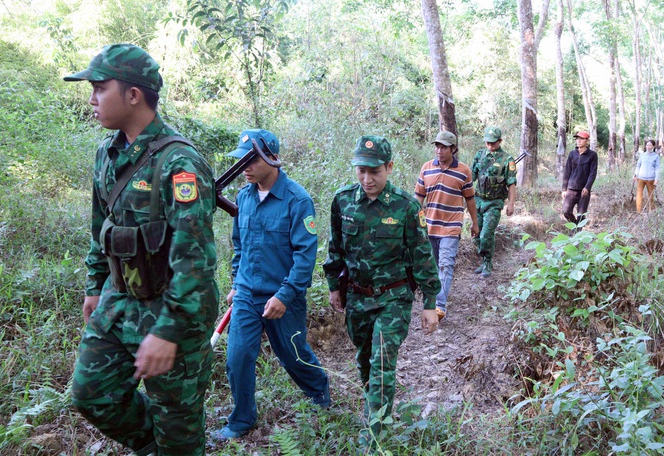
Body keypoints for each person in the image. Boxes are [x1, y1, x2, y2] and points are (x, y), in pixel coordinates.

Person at [65, 44, 219, 455]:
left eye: (100, 88)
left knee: (179, 426)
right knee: (90, 393)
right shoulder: (107, 153)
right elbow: (103, 228)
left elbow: (196, 261)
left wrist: (167, 331)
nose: (92, 99)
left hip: (175, 314)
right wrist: (95, 285)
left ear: (133, 95)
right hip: (120, 302)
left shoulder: (179, 164)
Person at [323, 135, 440, 447]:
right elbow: (335, 247)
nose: (367, 178)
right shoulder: (344, 200)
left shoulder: (405, 207)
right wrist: (335, 286)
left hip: (394, 297)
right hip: (358, 297)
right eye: (361, 170)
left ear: (389, 167)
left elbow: (422, 256)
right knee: (365, 362)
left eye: (374, 171)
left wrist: (430, 302)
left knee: (383, 364)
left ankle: (375, 437)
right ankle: (374, 406)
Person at [213, 129, 330, 441]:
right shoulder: (243, 197)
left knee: (294, 355)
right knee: (238, 358)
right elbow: (240, 246)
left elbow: (306, 256)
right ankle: (241, 421)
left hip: (282, 298)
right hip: (247, 295)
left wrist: (286, 294)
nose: (245, 167)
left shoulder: (297, 200)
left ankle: (320, 397)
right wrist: (238, 283)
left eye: (251, 160)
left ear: (272, 158)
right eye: (241, 161)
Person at [414, 130, 478, 320]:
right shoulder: (426, 168)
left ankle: (439, 306)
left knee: (445, 265)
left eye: (443, 147)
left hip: (451, 227)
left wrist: (475, 223)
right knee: (431, 266)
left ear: (453, 149)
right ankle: (430, 300)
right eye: (437, 146)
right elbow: (418, 197)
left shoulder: (464, 171)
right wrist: (412, 222)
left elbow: (470, 199)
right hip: (429, 227)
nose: (439, 150)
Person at [470, 126, 517, 279]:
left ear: (500, 141)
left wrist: (511, 204)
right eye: (487, 143)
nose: (490, 146)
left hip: (494, 203)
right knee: (477, 234)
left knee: (486, 234)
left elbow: (511, 183)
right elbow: (471, 178)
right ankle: (483, 261)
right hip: (478, 201)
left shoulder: (507, 159)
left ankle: (488, 262)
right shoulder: (479, 156)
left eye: (493, 143)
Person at [561, 130, 598, 229]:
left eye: (581, 139)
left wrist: (587, 187)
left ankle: (578, 234)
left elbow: (592, 173)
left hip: (583, 190)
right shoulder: (572, 154)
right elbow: (567, 171)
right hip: (571, 189)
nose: (578, 141)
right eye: (577, 138)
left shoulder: (592, 155)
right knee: (566, 211)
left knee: (581, 214)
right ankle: (575, 227)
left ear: (587, 140)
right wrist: (564, 189)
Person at [633, 139, 661, 213]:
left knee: (651, 195)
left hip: (651, 179)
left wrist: (656, 178)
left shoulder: (656, 156)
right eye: (647, 145)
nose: (648, 146)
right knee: (639, 194)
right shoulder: (642, 155)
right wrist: (635, 174)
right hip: (641, 178)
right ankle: (638, 211)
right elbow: (638, 165)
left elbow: (657, 168)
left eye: (650, 145)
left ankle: (651, 211)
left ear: (653, 146)